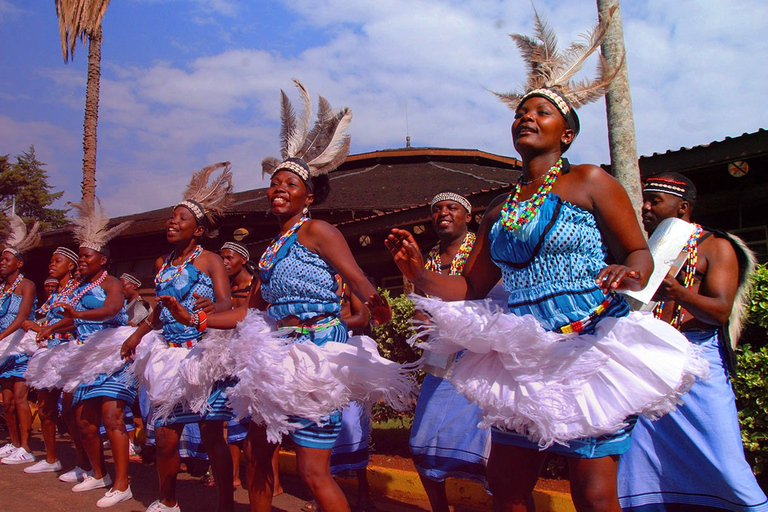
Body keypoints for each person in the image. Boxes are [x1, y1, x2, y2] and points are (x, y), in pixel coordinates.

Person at [386, 12, 707, 512]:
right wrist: (416, 271)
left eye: (541, 112)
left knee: (594, 495)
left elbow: (638, 251)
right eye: (520, 113)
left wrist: (631, 271)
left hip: (587, 346)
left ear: (568, 134)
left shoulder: (590, 181)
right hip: (523, 355)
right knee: (507, 489)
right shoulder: (498, 209)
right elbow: (469, 289)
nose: (527, 118)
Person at [160, 81, 405, 512]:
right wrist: (190, 317)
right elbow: (248, 314)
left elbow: (357, 275)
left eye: (289, 184)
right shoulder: (271, 250)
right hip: (275, 356)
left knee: (313, 472)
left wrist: (375, 302)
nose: (279, 189)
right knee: (257, 457)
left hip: (318, 354)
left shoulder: (318, 231)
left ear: (308, 195)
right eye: (274, 183)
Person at [617, 174, 768, 512]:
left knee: (724, 457)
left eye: (655, 200)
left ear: (682, 207)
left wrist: (680, 293)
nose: (645, 207)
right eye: (645, 200)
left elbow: (720, 311)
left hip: (700, 360)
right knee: (643, 457)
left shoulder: (716, 246)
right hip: (650, 361)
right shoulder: (648, 251)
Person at [121, 162, 236, 512]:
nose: (172, 222)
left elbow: (227, 303)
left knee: (213, 436)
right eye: (171, 217)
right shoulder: (164, 266)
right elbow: (159, 312)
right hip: (169, 355)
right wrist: (137, 335)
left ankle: (225, 505)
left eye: (181, 218)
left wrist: (210, 307)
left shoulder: (210, 261)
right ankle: (168, 501)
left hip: (203, 354)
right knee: (165, 437)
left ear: (198, 229)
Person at [408, 191, 491, 512]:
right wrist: (422, 322)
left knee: (493, 445)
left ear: (468, 216)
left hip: (481, 355)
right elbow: (420, 302)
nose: (443, 213)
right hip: (440, 358)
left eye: (451, 208)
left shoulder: (483, 250)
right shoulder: (427, 258)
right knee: (422, 441)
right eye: (437, 209)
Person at [52, 198, 136, 508]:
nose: (81, 261)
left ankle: (122, 484)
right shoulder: (80, 288)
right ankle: (98, 473)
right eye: (81, 257)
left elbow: (113, 308)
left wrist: (79, 316)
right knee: (83, 420)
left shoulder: (111, 282)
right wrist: (51, 328)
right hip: (87, 358)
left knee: (111, 418)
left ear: (102, 259)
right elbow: (71, 314)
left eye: (86, 256)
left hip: (115, 353)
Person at [22, 247, 83, 475]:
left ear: (70, 266)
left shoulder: (78, 290)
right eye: (51, 260)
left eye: (57, 261)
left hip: (70, 352)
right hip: (49, 352)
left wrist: (42, 328)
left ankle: (84, 464)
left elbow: (76, 321)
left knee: (70, 413)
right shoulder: (55, 294)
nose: (51, 264)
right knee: (46, 409)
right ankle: (51, 458)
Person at [0, 214, 39, 465]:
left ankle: (26, 446)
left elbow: (23, 315)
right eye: (1, 259)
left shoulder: (28, 285)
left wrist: (1, 336)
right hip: (3, 349)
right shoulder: (1, 288)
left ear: (19, 263)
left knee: (20, 397)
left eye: (7, 259)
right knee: (7, 402)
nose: (2, 263)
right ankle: (13, 444)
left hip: (21, 346)